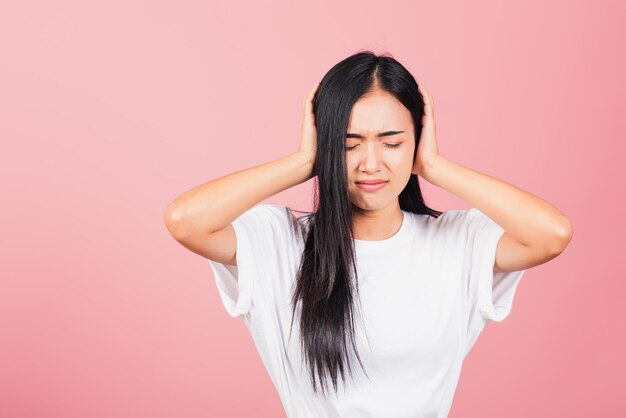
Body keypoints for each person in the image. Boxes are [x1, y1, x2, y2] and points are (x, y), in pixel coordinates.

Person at [164, 50, 573, 418]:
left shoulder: (457, 242)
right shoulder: (279, 242)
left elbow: (551, 234)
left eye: (392, 142)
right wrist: (304, 160)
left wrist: (434, 166)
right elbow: (186, 220)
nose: (370, 163)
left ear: (417, 141)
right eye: (348, 145)